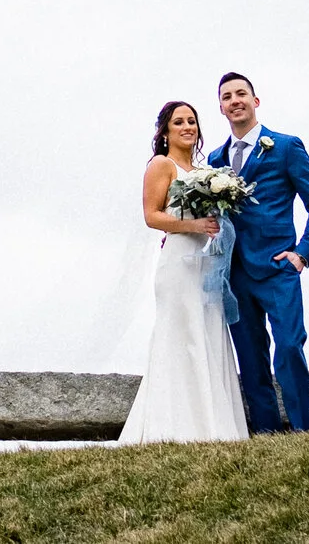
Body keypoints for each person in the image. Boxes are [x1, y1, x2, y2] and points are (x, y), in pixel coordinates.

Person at [115, 100, 250, 443]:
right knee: (181, 335)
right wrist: (192, 225)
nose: (188, 127)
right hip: (177, 264)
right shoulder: (162, 165)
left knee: (207, 333)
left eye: (192, 121)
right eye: (179, 122)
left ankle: (213, 424)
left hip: (207, 264)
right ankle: (173, 426)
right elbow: (152, 215)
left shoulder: (206, 172)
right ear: (165, 131)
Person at [210, 71, 309, 433]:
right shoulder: (215, 160)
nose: (235, 101)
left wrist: (302, 253)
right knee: (251, 360)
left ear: (255, 101)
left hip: (279, 268)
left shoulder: (286, 146)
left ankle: (304, 430)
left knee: (290, 345)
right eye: (227, 97)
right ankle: (265, 433)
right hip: (234, 273)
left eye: (241, 94)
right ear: (221, 108)